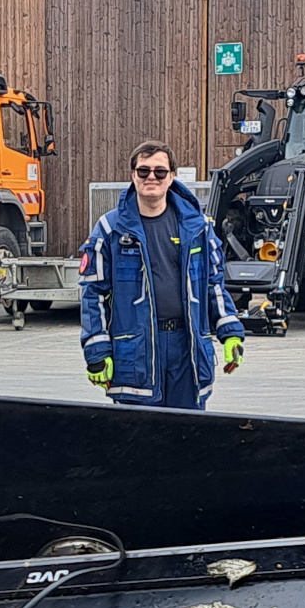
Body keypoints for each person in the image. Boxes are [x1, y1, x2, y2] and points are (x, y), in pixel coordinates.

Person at [79, 140, 244, 408]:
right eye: (143, 171)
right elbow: (93, 295)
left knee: (186, 439)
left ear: (172, 177)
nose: (151, 177)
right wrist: (97, 351)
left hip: (187, 349)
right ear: (133, 176)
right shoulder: (111, 230)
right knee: (137, 443)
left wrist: (231, 332)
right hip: (137, 352)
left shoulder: (198, 228)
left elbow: (213, 284)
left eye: (160, 171)